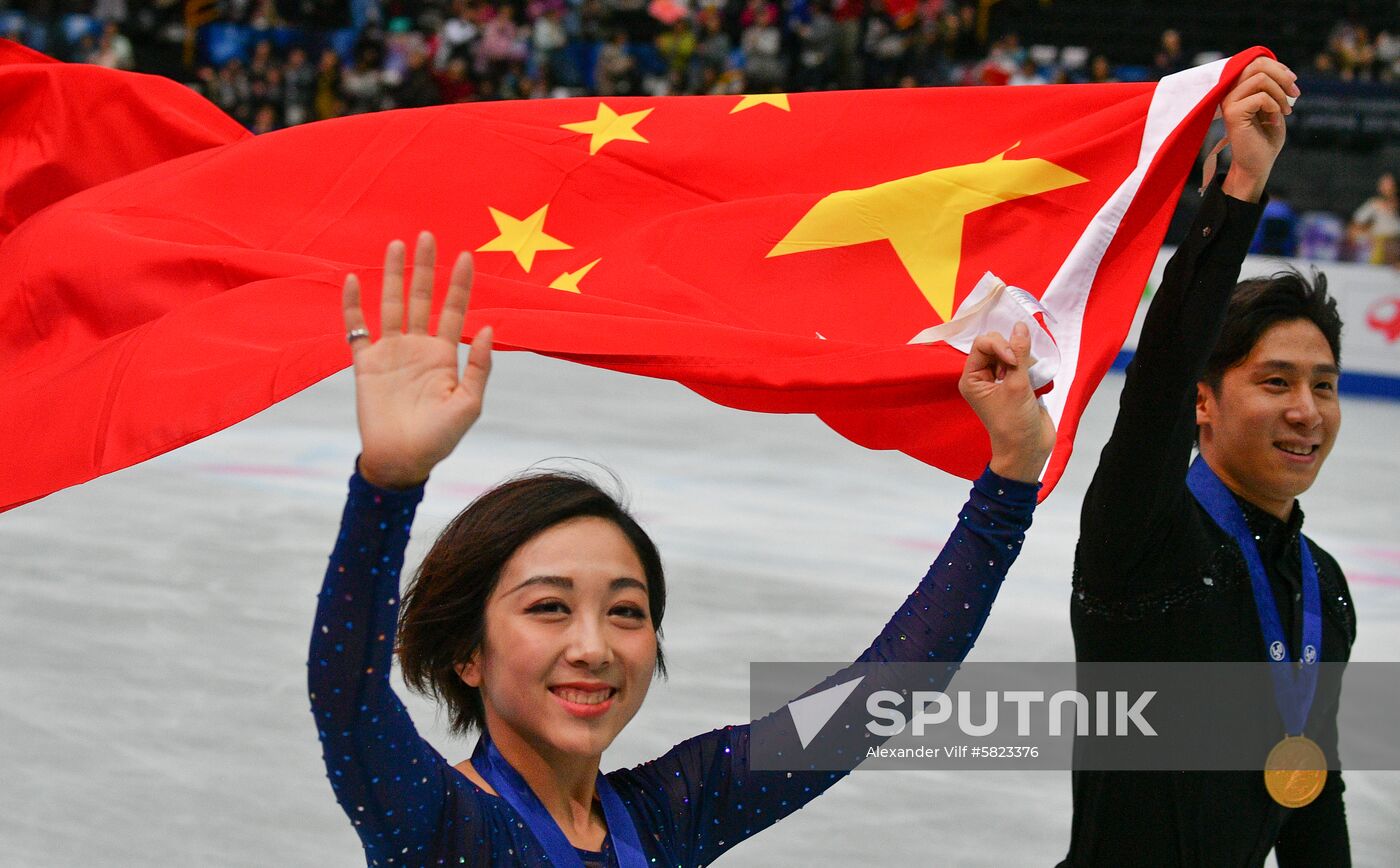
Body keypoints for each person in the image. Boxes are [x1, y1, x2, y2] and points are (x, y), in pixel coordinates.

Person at [311, 231, 1056, 865]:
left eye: (627, 612)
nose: (593, 645)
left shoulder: (669, 814)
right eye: (548, 607)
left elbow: (875, 698)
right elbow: (346, 699)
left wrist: (1011, 481)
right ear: (467, 654)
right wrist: (388, 486)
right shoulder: (444, 829)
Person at [1061, 58, 1357, 866]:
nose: (1307, 410)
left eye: (1323, 385)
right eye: (1275, 381)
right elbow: (1155, 378)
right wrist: (1235, 198)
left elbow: (1311, 794)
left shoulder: (1322, 586)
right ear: (1204, 403)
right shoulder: (1146, 540)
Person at [1347, 171, 1399, 265]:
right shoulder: (1374, 204)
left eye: (1389, 185)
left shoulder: (1396, 205)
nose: (1387, 188)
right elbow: (1357, 223)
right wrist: (1366, 234)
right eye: (1383, 185)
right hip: (1380, 242)